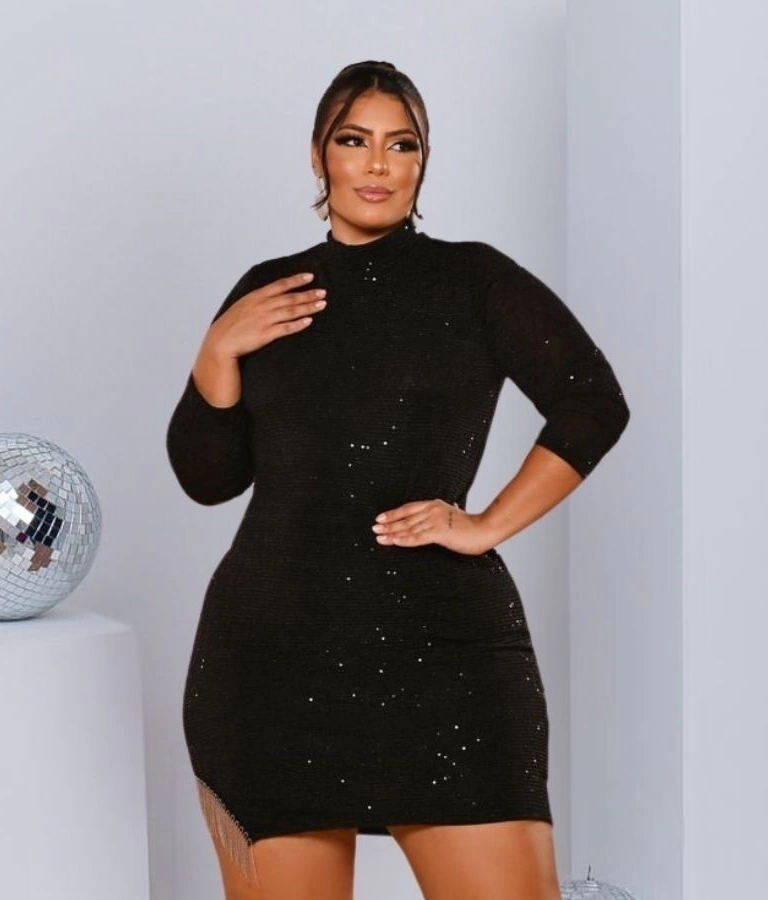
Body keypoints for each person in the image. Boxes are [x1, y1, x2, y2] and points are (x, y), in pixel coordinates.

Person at [166, 60, 630, 900]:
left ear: (423, 160)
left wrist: (486, 523)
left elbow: (592, 401)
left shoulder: (474, 279)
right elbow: (209, 478)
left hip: (447, 651)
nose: (378, 164)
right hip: (270, 660)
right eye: (354, 141)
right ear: (318, 154)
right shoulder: (270, 293)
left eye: (401, 144)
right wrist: (216, 353)